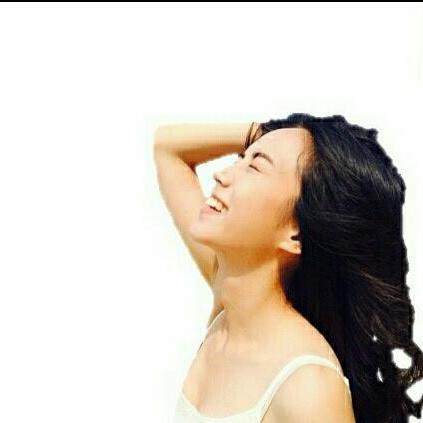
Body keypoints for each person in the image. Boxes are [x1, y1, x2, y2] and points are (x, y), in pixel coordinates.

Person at [153, 114, 423, 422]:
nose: (222, 175)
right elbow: (167, 147)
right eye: (241, 158)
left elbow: (169, 149)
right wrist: (271, 133)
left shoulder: (308, 388)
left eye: (255, 167)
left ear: (296, 234)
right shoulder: (231, 295)